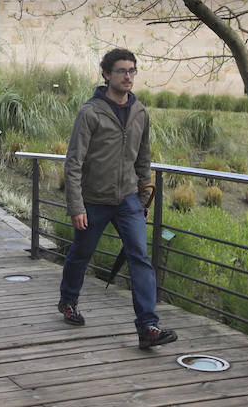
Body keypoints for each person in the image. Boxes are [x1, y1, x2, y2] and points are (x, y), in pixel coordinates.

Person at [60, 48, 178, 350]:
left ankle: (148, 326)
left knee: (140, 258)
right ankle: (68, 300)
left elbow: (144, 158)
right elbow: (74, 162)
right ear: (106, 74)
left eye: (132, 70)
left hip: (128, 201)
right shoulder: (90, 113)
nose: (128, 76)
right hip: (94, 201)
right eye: (122, 71)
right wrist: (76, 206)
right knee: (81, 253)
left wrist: (143, 197)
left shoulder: (140, 112)